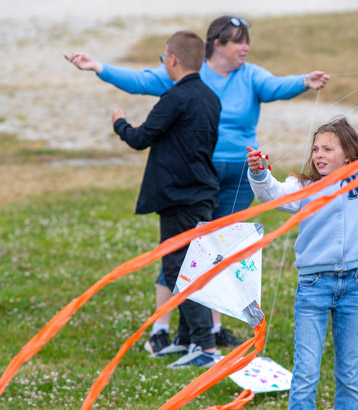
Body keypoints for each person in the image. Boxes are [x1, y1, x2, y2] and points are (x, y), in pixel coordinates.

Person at [65, 15, 330, 353]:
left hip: (238, 177)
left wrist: (304, 81)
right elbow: (141, 80)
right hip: (197, 174)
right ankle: (162, 328)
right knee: (181, 248)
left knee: (217, 250)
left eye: (246, 40)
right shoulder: (189, 73)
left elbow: (278, 86)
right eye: (237, 40)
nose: (245, 46)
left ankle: (212, 329)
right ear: (216, 45)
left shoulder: (251, 76)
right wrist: (98, 67)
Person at [247, 52, 358, 409]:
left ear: (349, 155)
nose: (319, 154)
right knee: (306, 375)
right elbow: (271, 195)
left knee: (348, 377)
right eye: (316, 149)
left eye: (328, 149)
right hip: (313, 287)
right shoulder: (303, 186)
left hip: (355, 286)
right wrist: (260, 173)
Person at [112, 30, 222, 368]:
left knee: (180, 271)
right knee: (194, 267)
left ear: (172, 60)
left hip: (179, 198)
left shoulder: (175, 98)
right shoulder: (210, 97)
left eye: (164, 58)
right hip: (201, 194)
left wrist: (119, 123)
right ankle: (186, 339)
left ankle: (206, 348)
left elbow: (140, 138)